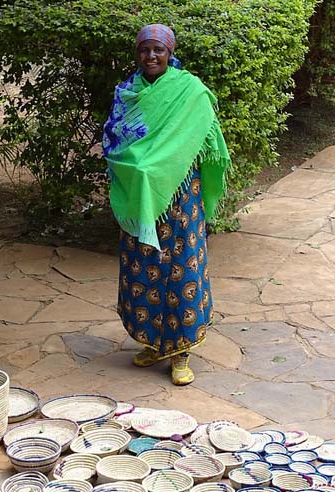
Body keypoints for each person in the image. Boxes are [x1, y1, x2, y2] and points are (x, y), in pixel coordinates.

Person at [103, 24, 231, 385]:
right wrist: (140, 169)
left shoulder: (189, 91)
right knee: (144, 269)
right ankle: (154, 342)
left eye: (158, 50)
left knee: (180, 268)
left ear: (169, 53)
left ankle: (181, 352)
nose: (151, 56)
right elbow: (115, 144)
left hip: (180, 200)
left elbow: (207, 137)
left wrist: (162, 166)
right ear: (137, 54)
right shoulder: (127, 94)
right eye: (145, 50)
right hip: (142, 201)